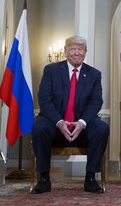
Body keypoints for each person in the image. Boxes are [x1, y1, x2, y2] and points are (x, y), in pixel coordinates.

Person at [31, 35, 109, 194]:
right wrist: (59, 122)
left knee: (101, 128)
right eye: (73, 49)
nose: (76, 52)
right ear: (65, 52)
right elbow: (44, 100)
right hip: (55, 125)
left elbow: (96, 102)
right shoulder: (51, 70)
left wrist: (82, 122)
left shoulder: (94, 74)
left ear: (85, 52)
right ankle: (44, 178)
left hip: (82, 128)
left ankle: (91, 178)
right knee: (39, 128)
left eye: (80, 49)